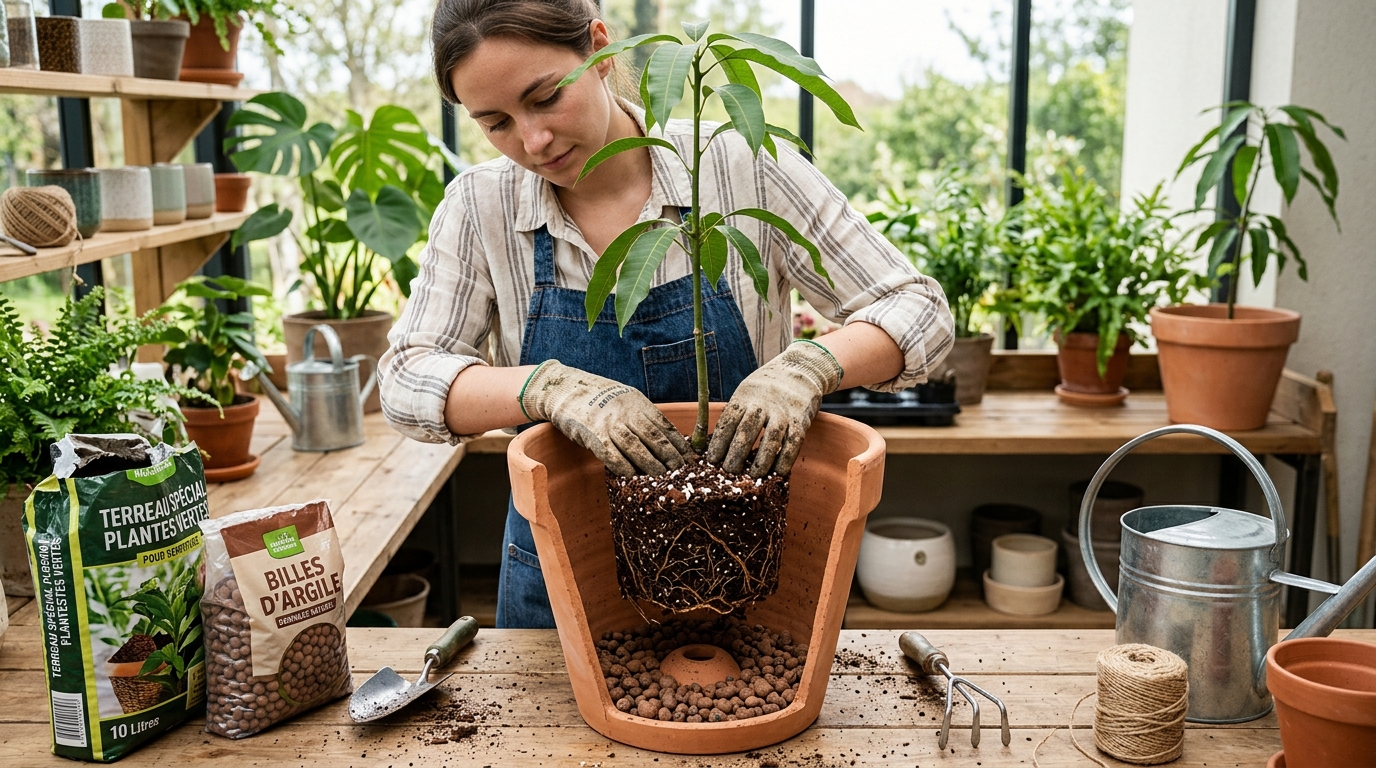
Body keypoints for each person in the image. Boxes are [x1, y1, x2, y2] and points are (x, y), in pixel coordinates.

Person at [380, 0, 954, 628]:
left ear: (600, 50)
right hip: (565, 577)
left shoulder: (740, 169)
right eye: (495, 123)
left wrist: (808, 367)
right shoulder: (479, 206)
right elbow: (407, 378)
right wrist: (548, 388)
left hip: (745, 565)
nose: (533, 140)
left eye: (546, 98)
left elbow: (918, 308)